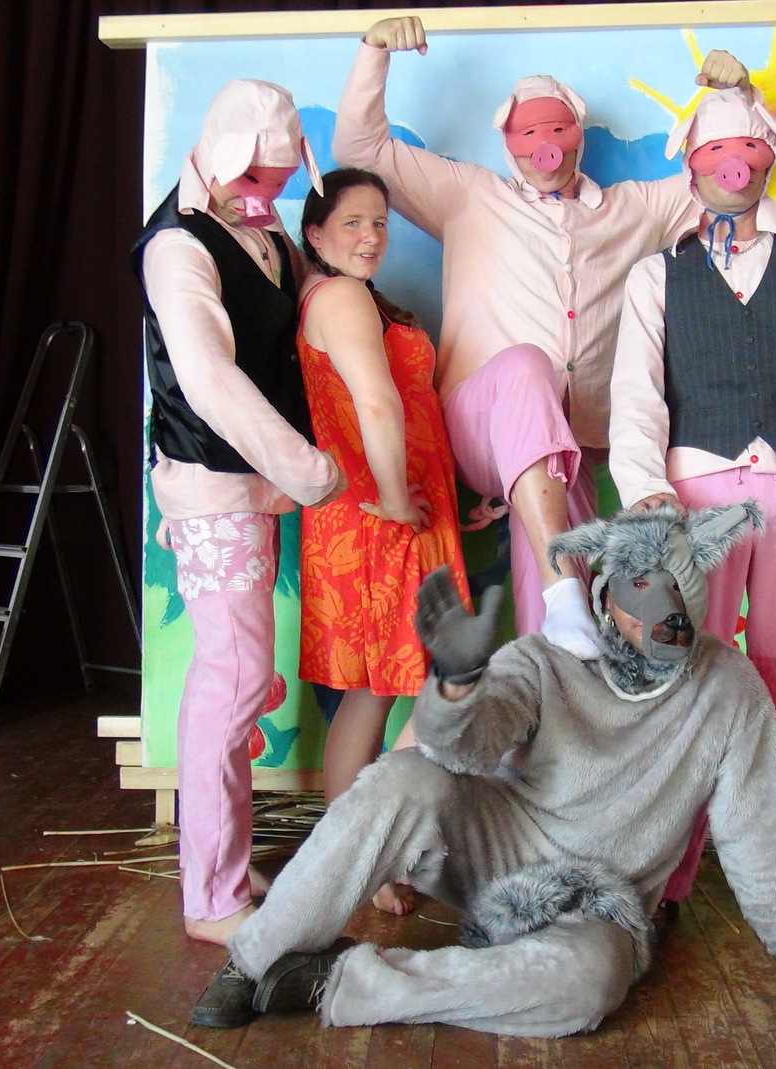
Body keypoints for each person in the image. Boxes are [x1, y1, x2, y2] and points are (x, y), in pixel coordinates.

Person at [188, 506, 776, 1037]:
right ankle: (255, 960)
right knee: (401, 779)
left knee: (589, 984)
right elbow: (464, 750)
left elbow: (753, 820)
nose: (658, 613)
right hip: (494, 850)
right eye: (639, 588)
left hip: (600, 901)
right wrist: (457, 686)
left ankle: (337, 981)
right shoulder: (547, 658)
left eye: (675, 590)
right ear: (604, 592)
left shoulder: (728, 689)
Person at [332, 16, 753, 662]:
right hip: (479, 425)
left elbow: (727, 182)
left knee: (563, 631)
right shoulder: (467, 195)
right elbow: (359, 147)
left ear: (577, 135)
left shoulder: (635, 208)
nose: (545, 146)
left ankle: (559, 644)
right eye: (529, 133)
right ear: (508, 142)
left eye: (557, 130)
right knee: (528, 365)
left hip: (569, 448)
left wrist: (735, 99)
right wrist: (374, 51)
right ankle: (564, 595)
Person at [608, 87, 776, 911]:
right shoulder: (657, 274)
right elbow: (636, 395)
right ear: (692, 165)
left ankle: (775, 868)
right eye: (717, 151)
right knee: (691, 672)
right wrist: (648, 491)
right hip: (697, 495)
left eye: (749, 150)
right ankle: (671, 876)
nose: (734, 167)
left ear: (768, 160)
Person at [133, 80, 346, 946]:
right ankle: (211, 896)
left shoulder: (260, 231)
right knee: (232, 678)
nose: (267, 196)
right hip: (214, 481)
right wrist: (305, 466)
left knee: (240, 676)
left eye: (281, 181)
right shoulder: (175, 247)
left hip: (258, 485)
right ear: (220, 156)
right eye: (255, 178)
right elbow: (208, 378)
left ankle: (218, 860)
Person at [295, 167, 472, 913]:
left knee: (372, 695)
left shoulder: (356, 297)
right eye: (352, 222)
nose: (371, 236)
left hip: (400, 514)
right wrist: (398, 499)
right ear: (315, 234)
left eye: (379, 222)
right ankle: (370, 850)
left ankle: (356, 856)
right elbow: (373, 399)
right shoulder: (338, 296)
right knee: (446, 679)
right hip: (381, 518)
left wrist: (455, 501)